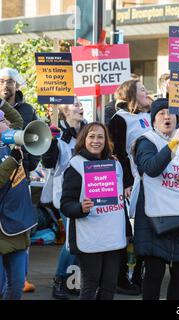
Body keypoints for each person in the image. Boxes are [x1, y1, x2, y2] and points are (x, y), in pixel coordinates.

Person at [133, 98, 179, 300]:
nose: (166, 116)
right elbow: (151, 168)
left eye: (170, 112)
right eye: (161, 113)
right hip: (155, 217)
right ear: (154, 119)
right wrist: (173, 144)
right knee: (154, 274)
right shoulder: (146, 141)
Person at [60, 122, 128, 300]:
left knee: (109, 286)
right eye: (91, 136)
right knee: (90, 285)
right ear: (84, 139)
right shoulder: (75, 165)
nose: (96, 141)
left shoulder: (115, 164)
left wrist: (127, 231)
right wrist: (80, 208)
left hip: (113, 236)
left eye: (100, 137)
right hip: (90, 236)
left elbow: (120, 203)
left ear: (106, 141)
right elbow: (66, 204)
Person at [107, 79, 152, 295]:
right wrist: (126, 182)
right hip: (129, 183)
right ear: (132, 94)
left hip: (151, 181)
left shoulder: (149, 116)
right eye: (143, 90)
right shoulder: (119, 119)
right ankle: (121, 277)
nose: (147, 93)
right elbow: (117, 152)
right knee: (126, 231)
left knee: (144, 230)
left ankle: (140, 274)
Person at [41, 99, 86, 299]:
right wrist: (51, 143)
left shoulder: (88, 130)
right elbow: (48, 163)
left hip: (88, 193)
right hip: (67, 195)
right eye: (75, 104)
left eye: (80, 104)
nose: (80, 107)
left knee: (82, 240)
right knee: (72, 241)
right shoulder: (57, 134)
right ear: (64, 110)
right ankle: (59, 280)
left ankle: (71, 282)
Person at [0, 106, 36, 300]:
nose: (8, 124)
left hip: (17, 224)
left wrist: (1, 102)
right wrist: (12, 161)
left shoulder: (7, 142)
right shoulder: (9, 152)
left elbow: (18, 120)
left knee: (16, 286)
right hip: (1, 225)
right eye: (2, 121)